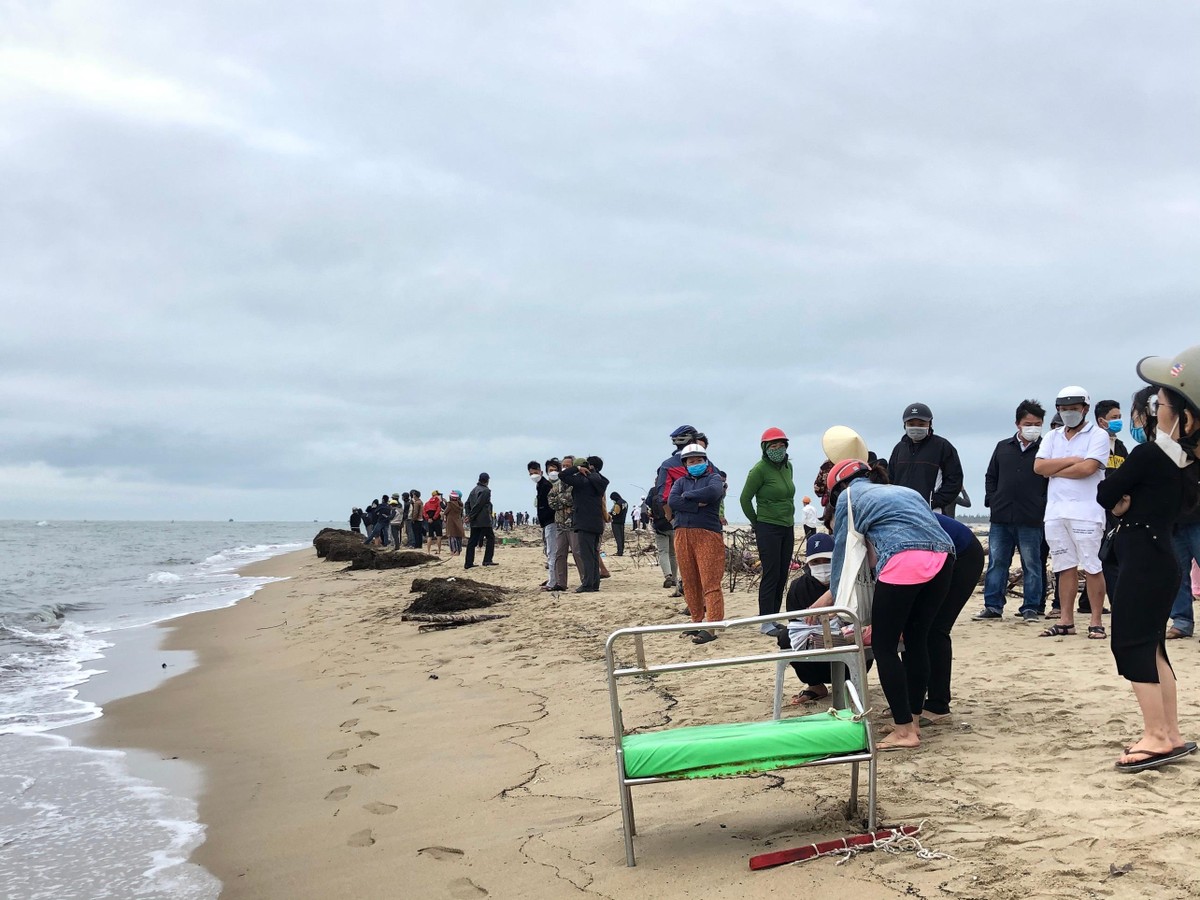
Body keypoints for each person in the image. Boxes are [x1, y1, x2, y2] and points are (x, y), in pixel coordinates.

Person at [1097, 346, 1200, 772]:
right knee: (1153, 644)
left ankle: (1157, 735)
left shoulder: (1151, 455)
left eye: (1161, 403)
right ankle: (1168, 731)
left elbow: (1106, 493)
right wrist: (1128, 503)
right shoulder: (1188, 462)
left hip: (1143, 557)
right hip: (1161, 555)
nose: (1154, 409)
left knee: (1132, 643)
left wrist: (1123, 504)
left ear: (1182, 416)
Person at [824, 458, 955, 751]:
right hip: (944, 559)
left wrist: (837, 600)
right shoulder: (904, 491)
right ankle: (913, 720)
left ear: (838, 489)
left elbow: (843, 554)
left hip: (904, 560)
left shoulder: (847, 497)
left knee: (883, 647)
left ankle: (904, 732)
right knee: (916, 640)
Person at [1034, 386, 1110, 639]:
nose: (1068, 413)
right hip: (1055, 511)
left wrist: (1053, 469)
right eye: (1064, 409)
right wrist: (1072, 460)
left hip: (1087, 511)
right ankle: (1066, 620)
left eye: (1073, 409)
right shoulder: (1052, 436)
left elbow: (1088, 469)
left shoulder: (1097, 435)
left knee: (1092, 566)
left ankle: (1096, 620)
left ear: (1085, 409)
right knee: (1063, 565)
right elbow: (1038, 467)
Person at [975, 399, 1048, 621]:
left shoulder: (1047, 448)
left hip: (1032, 518)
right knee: (997, 563)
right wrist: (992, 499)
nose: (1033, 427)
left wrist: (1041, 504)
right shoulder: (1002, 447)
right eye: (1028, 423)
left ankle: (1031, 608)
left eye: (1037, 423)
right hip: (1001, 517)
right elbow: (991, 476)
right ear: (1018, 423)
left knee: (1032, 564)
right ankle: (993, 606)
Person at [922, 514, 986, 723]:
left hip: (962, 553)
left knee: (935, 628)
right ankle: (913, 700)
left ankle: (938, 705)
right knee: (915, 627)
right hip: (934, 552)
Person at [668, 443, 727, 644]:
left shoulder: (713, 478)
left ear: (705, 461)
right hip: (682, 533)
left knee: (710, 582)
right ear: (685, 464)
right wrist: (696, 505)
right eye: (691, 461)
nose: (696, 464)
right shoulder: (679, 482)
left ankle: (712, 626)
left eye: (699, 460)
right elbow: (672, 501)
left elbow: (713, 493)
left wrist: (688, 497)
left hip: (708, 534)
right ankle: (696, 621)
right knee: (690, 581)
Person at [740, 427, 796, 635]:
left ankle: (774, 618)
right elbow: (745, 499)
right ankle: (765, 622)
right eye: (773, 446)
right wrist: (757, 522)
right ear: (765, 448)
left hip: (787, 526)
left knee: (782, 574)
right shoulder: (759, 470)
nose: (778, 449)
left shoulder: (788, 466)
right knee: (771, 574)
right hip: (768, 527)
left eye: (781, 445)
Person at [777, 533, 839, 704]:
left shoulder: (850, 582)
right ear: (808, 564)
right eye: (816, 562)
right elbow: (794, 624)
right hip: (814, 653)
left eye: (827, 560)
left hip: (845, 646)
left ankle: (852, 682)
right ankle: (815, 684)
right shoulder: (798, 587)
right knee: (785, 636)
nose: (823, 566)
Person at [888, 402, 965, 517]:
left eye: (921, 424)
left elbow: (955, 480)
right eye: (911, 424)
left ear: (930, 424)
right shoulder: (899, 448)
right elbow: (890, 478)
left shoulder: (942, 447)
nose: (916, 427)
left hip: (932, 513)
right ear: (905, 425)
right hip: (900, 512)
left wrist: (934, 501)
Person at [560, 456, 609, 592]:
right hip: (597, 521)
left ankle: (587, 584)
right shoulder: (601, 481)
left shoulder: (582, 481)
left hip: (584, 521)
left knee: (586, 555)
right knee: (593, 553)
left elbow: (562, 475)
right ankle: (594, 583)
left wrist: (577, 469)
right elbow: (603, 479)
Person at [533, 459, 558, 590]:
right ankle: (552, 579)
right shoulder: (540, 485)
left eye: (536, 472)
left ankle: (553, 581)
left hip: (551, 522)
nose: (534, 475)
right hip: (546, 522)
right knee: (551, 552)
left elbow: (550, 506)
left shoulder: (546, 486)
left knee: (552, 552)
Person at [463, 474, 497, 568]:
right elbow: (479, 504)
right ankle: (487, 560)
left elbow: (467, 504)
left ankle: (468, 563)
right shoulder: (486, 490)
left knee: (472, 541)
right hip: (484, 520)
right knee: (490, 538)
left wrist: (468, 515)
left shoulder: (474, 490)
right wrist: (470, 516)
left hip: (475, 521)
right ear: (487, 480)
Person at [444, 490, 465, 556]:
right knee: (458, 537)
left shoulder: (450, 504)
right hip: (458, 521)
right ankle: (458, 551)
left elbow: (445, 512)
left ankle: (453, 550)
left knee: (451, 536)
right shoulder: (460, 504)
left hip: (451, 521)